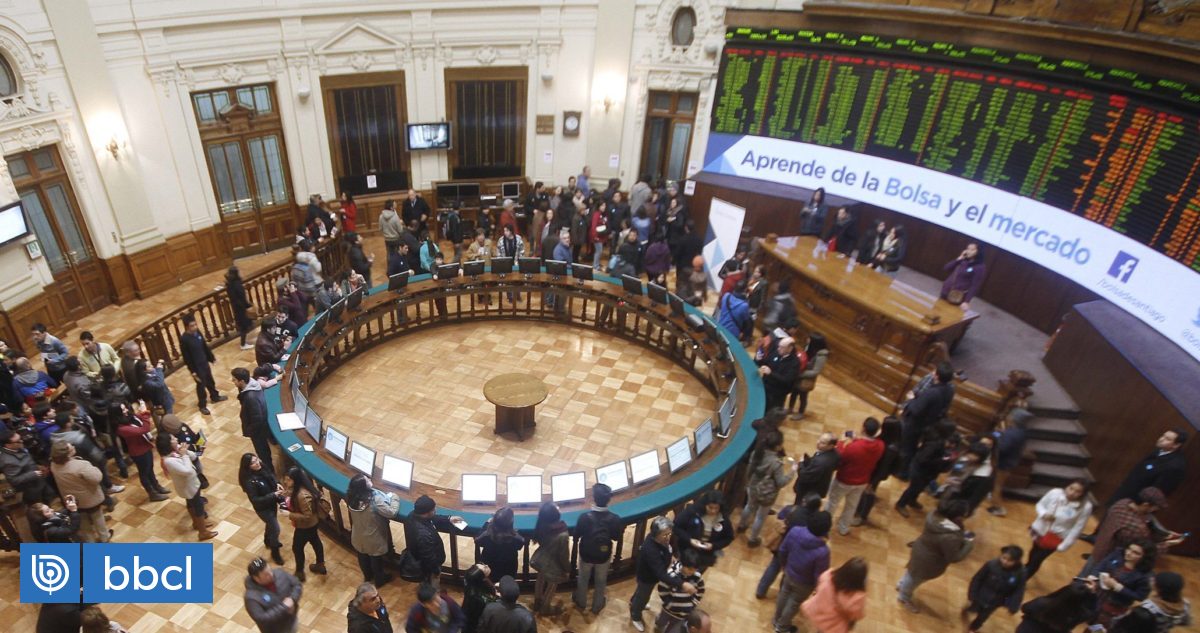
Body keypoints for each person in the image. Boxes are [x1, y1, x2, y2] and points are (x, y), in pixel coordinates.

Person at [897, 497, 975, 613]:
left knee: (911, 572)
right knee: (915, 580)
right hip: (929, 561)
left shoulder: (934, 516)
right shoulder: (950, 537)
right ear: (958, 517)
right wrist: (969, 544)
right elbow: (954, 557)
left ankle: (901, 584)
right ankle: (904, 597)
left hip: (920, 549)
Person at [1088, 487, 1184, 575]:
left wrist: (1163, 533)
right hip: (1109, 563)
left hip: (1098, 550)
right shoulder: (1136, 528)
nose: (1155, 510)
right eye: (1155, 507)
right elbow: (1145, 551)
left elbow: (1144, 518)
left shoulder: (1121, 503)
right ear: (1145, 505)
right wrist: (1167, 544)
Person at [630, 516, 696, 632]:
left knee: (641, 593)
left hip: (651, 576)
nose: (668, 537)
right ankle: (635, 615)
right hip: (647, 578)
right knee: (643, 595)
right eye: (665, 535)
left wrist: (671, 557)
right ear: (656, 534)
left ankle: (634, 601)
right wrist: (682, 584)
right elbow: (660, 574)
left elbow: (666, 550)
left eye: (669, 534)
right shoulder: (651, 550)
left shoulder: (661, 540)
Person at [773, 511, 832, 633]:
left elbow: (783, 550)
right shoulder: (823, 551)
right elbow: (820, 574)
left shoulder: (795, 531)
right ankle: (782, 627)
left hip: (789, 571)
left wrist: (784, 565)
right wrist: (817, 588)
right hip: (805, 584)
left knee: (783, 594)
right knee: (794, 603)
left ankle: (776, 619)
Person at [825, 418, 885, 536]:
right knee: (851, 506)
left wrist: (841, 442)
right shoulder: (881, 445)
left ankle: (825, 526)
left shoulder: (853, 447)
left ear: (863, 429)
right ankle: (843, 528)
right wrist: (857, 439)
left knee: (832, 502)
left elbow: (841, 456)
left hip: (844, 480)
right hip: (862, 481)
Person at [757, 493, 823, 599]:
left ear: (804, 502)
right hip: (799, 552)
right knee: (787, 573)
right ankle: (782, 595)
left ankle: (761, 590)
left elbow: (780, 516)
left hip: (782, 545)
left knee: (773, 567)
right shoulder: (815, 521)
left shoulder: (791, 509)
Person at [1025, 479, 1093, 579]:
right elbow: (1040, 505)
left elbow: (1078, 528)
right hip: (1040, 530)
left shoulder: (1086, 507)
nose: (1072, 493)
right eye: (1071, 488)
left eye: (1078, 491)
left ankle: (1022, 578)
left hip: (1056, 537)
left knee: (1037, 559)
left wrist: (1065, 545)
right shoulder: (1055, 493)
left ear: (1083, 494)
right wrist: (1044, 514)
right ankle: (1023, 572)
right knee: (1033, 553)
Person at [572, 482, 623, 614]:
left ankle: (581, 602)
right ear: (608, 499)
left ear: (594, 498)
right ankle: (597, 605)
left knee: (583, 578)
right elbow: (616, 537)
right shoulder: (615, 519)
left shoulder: (584, 517)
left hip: (586, 554)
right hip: (603, 555)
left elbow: (576, 535)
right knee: (601, 580)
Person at [898, 361, 956, 477]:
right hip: (930, 423)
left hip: (915, 424)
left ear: (936, 376)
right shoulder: (950, 389)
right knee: (914, 446)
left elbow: (915, 410)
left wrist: (911, 399)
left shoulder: (931, 392)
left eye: (934, 371)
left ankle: (902, 471)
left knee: (907, 447)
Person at [158, 432, 218, 540]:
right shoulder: (169, 461)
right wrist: (184, 455)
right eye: (173, 439)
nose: (176, 439)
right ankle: (203, 532)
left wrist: (184, 451)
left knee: (191, 503)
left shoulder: (175, 451)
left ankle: (197, 524)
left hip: (191, 484)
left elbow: (194, 456)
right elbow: (187, 471)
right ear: (168, 444)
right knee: (198, 506)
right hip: (188, 486)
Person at [1107, 428, 1188, 507]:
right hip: (1124, 493)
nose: (1161, 439)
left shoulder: (1175, 466)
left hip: (1134, 504)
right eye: (1163, 436)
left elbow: (1156, 493)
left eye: (1167, 439)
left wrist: (1138, 505)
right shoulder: (1159, 450)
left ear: (1176, 445)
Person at [739, 430, 794, 546]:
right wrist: (792, 472)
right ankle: (753, 539)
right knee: (760, 517)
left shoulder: (756, 453)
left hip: (752, 487)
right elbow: (781, 482)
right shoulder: (776, 463)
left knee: (749, 506)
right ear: (777, 446)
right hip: (766, 494)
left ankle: (741, 525)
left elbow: (750, 469)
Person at [49, 441, 109, 542]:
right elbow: (97, 478)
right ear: (67, 454)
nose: (73, 446)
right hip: (90, 498)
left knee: (83, 523)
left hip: (73, 500)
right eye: (71, 447)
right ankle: (105, 537)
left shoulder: (53, 465)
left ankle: (90, 542)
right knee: (98, 518)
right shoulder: (81, 465)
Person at [348, 473, 397, 588]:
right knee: (376, 559)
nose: (369, 479)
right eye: (367, 480)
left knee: (362, 555)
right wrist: (395, 498)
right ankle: (380, 579)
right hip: (373, 537)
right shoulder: (374, 500)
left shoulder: (351, 497)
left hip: (358, 535)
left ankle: (368, 576)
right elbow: (391, 512)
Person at [113, 403, 169, 502]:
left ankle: (156, 486)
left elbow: (141, 417)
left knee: (150, 469)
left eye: (125, 408)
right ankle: (152, 493)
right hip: (138, 452)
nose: (126, 410)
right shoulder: (121, 428)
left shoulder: (129, 417)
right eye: (123, 410)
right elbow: (144, 429)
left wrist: (143, 413)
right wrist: (145, 415)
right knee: (144, 473)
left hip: (145, 446)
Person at [964, 545, 1027, 632]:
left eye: (1010, 561)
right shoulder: (991, 565)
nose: (1005, 562)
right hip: (981, 594)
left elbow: (1019, 590)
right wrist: (972, 593)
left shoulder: (1020, 573)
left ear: (1016, 561)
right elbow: (977, 579)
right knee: (975, 606)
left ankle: (973, 628)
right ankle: (971, 608)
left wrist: (1014, 605)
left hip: (996, 601)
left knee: (983, 616)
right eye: (1004, 558)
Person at [895, 428, 957, 517]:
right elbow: (923, 460)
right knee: (913, 488)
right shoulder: (934, 445)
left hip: (929, 473)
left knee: (920, 488)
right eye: (951, 444)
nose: (952, 447)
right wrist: (942, 460)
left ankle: (912, 500)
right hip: (919, 470)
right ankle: (901, 504)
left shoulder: (945, 448)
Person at [404, 494, 463, 588]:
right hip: (428, 568)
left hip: (420, 561)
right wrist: (436, 571)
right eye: (434, 509)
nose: (436, 510)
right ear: (428, 512)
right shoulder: (423, 534)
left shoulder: (413, 515)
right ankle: (433, 594)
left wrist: (449, 518)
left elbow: (432, 518)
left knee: (426, 583)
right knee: (432, 587)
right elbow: (428, 557)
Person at [1092, 540, 1155, 627]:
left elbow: (1140, 596)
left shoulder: (1145, 576)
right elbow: (1101, 565)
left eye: (1135, 553)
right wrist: (1093, 576)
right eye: (1129, 549)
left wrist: (1118, 587)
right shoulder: (1118, 554)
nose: (1128, 553)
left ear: (1145, 557)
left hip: (1114, 606)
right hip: (1097, 596)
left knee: (1098, 628)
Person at [852, 416, 901, 526]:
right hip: (872, 469)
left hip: (876, 474)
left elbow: (883, 468)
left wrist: (872, 482)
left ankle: (861, 515)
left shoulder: (891, 449)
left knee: (868, 494)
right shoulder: (887, 440)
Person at [801, 557, 868, 633]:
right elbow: (856, 614)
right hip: (834, 625)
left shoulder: (828, 576)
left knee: (820, 629)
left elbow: (819, 585)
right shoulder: (857, 597)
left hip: (820, 613)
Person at [239, 453, 285, 565]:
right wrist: (273, 495)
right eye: (253, 463)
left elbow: (271, 475)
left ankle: (267, 539)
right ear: (248, 466)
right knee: (276, 529)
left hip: (272, 502)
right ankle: (275, 552)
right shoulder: (249, 482)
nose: (257, 463)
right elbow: (255, 499)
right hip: (263, 509)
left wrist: (277, 483)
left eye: (257, 460)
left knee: (271, 525)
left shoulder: (262, 466)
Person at [987, 407, 1033, 517]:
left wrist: (995, 443)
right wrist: (998, 434)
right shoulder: (1021, 431)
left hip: (1003, 462)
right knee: (996, 484)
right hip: (1011, 461)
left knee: (997, 486)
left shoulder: (1011, 434)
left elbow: (1003, 448)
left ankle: (998, 508)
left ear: (1014, 419)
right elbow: (1002, 436)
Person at [674, 489, 734, 572]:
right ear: (705, 505)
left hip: (706, 555)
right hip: (687, 551)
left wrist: (714, 545)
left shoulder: (724, 519)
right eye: (710, 507)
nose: (713, 511)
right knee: (683, 572)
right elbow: (676, 527)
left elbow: (729, 538)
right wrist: (690, 540)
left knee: (698, 573)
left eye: (716, 508)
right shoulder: (692, 512)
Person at [283, 466, 326, 581]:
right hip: (312, 524)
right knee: (315, 541)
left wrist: (289, 515)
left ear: (296, 480)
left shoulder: (302, 495)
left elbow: (307, 516)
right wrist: (285, 493)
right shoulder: (300, 488)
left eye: (289, 480)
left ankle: (299, 572)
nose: (286, 482)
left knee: (297, 548)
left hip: (306, 526)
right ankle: (320, 565)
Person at [180, 313, 226, 415]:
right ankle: (202, 405)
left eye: (195, 324)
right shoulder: (184, 339)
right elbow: (187, 358)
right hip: (196, 367)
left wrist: (211, 358)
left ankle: (215, 396)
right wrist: (193, 371)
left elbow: (204, 346)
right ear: (187, 327)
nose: (195, 327)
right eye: (192, 326)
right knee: (201, 385)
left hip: (204, 362)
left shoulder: (198, 332)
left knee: (210, 380)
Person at [529, 501, 570, 615]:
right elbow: (563, 555)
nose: (559, 508)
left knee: (540, 578)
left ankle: (537, 601)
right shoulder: (562, 534)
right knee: (552, 584)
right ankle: (545, 607)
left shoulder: (542, 526)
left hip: (541, 559)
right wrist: (567, 568)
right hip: (554, 564)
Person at [1116, 571, 1191, 632]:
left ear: (1159, 589)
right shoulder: (1185, 605)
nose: (1151, 579)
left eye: (1154, 580)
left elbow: (1131, 622)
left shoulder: (1149, 607)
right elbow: (1186, 622)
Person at [244, 556, 303, 633]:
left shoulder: (279, 573)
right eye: (266, 575)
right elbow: (262, 619)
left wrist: (292, 599)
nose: (271, 574)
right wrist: (284, 607)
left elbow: (297, 584)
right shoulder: (251, 598)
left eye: (270, 570)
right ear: (257, 578)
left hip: (291, 620)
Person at [233, 367, 275, 476]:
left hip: (258, 432)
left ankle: (270, 474)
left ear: (242, 381)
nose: (233, 381)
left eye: (234, 379)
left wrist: (249, 431)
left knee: (263, 454)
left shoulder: (250, 397)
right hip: (260, 429)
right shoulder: (251, 386)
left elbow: (257, 418)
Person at [0, 427, 55, 504]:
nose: (22, 441)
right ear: (8, 445)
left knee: (50, 496)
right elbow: (14, 480)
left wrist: (38, 466)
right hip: (30, 489)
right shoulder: (7, 461)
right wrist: (32, 474)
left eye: (20, 438)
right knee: (39, 506)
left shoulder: (18, 446)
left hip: (39, 481)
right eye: (18, 441)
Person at [656, 549, 706, 633]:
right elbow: (662, 588)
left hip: (683, 614)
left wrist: (694, 603)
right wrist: (668, 602)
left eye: (695, 569)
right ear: (682, 563)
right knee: (661, 623)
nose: (692, 572)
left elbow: (701, 590)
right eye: (689, 569)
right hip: (667, 609)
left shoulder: (697, 577)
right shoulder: (671, 574)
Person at [476, 506, 525, 582]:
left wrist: (487, 523)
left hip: (489, 571)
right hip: (509, 571)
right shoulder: (516, 539)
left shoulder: (486, 535)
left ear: (494, 521)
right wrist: (516, 532)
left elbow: (478, 540)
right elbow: (520, 545)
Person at [787, 333, 827, 420]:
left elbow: (816, 371)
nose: (807, 339)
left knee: (803, 396)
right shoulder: (808, 347)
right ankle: (790, 409)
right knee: (794, 393)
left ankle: (800, 413)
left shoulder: (821, 356)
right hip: (799, 374)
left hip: (806, 379)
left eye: (809, 338)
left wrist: (800, 374)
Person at [756, 336, 801, 413]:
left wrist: (771, 373)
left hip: (777, 394)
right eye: (779, 346)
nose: (778, 349)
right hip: (765, 388)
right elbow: (765, 363)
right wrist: (758, 360)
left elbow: (787, 380)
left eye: (782, 347)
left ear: (790, 348)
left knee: (771, 413)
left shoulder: (794, 362)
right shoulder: (775, 353)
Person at [793, 433, 840, 504]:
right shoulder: (836, 454)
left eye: (822, 443)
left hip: (808, 492)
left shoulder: (820, 462)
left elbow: (804, 476)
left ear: (830, 446)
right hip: (819, 488)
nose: (818, 442)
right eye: (819, 439)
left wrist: (801, 463)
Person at [941, 242, 987, 311]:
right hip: (945, 291)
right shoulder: (963, 260)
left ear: (979, 252)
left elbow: (975, 285)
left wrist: (966, 301)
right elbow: (946, 268)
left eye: (972, 250)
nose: (968, 251)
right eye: (968, 249)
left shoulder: (980, 267)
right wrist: (959, 259)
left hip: (956, 296)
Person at [462, 564, 498, 633]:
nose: (486, 565)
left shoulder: (469, 580)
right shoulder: (478, 597)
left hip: (468, 614)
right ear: (482, 579)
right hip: (475, 624)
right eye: (483, 567)